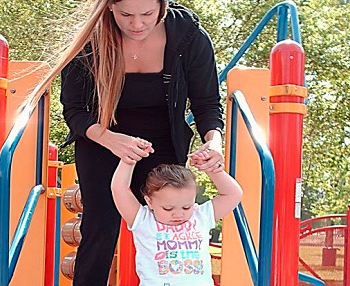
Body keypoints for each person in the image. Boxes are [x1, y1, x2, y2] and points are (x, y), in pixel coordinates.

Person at [24, 0, 223, 284]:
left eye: (148, 14)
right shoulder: (90, 40)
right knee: (100, 227)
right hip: (101, 140)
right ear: (109, 8)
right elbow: (75, 111)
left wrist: (213, 142)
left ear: (162, 7)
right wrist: (111, 140)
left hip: (163, 143)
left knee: (170, 228)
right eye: (126, 15)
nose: (137, 24)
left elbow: (207, 103)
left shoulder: (188, 36)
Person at [110, 147, 243, 285]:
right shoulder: (143, 221)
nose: (179, 214)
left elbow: (233, 194)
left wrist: (211, 168)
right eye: (168, 208)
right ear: (149, 201)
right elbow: (119, 190)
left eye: (186, 207)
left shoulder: (200, 217)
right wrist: (128, 161)